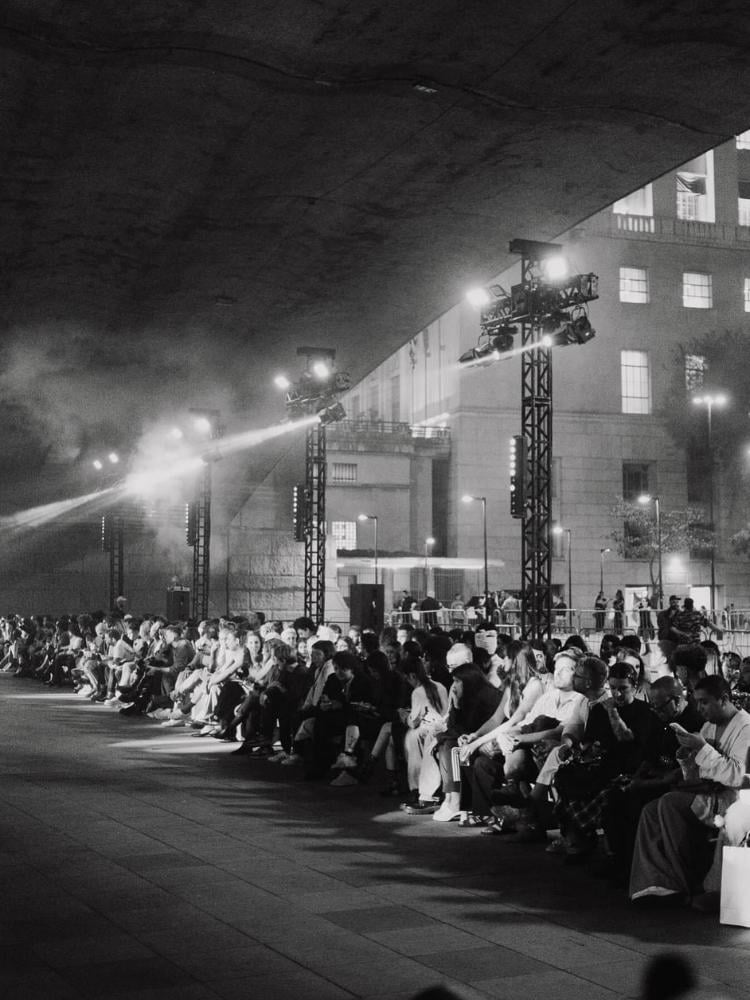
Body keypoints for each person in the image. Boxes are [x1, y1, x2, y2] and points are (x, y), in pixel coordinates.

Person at [629, 674, 750, 906]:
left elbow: (738, 775)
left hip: (731, 799)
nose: (700, 709)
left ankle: (682, 882)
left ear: (723, 699)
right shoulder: (707, 726)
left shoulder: (746, 727)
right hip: (706, 793)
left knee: (669, 803)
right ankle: (657, 882)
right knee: (651, 810)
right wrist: (686, 757)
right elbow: (697, 773)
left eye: (704, 702)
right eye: (697, 703)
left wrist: (702, 748)